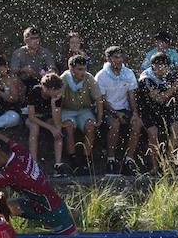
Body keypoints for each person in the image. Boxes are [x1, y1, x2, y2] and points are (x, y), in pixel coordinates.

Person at [95, 45, 142, 175]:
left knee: (137, 123)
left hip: (124, 109)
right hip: (108, 110)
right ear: (108, 59)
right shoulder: (101, 75)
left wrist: (135, 113)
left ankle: (129, 160)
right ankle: (111, 160)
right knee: (114, 124)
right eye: (116, 57)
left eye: (121, 57)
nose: (119, 60)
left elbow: (132, 96)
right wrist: (116, 113)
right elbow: (102, 100)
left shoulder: (128, 73)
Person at [59, 54, 101, 172]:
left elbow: (99, 99)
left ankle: (86, 160)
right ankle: (73, 160)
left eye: (84, 69)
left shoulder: (89, 78)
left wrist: (99, 119)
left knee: (91, 126)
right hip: (67, 111)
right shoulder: (63, 79)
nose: (83, 72)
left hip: (84, 110)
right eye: (79, 69)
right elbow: (57, 102)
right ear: (71, 69)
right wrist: (58, 122)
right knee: (69, 127)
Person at [24, 71, 66, 171]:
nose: (58, 92)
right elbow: (31, 116)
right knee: (34, 128)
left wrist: (53, 104)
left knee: (58, 129)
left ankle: (58, 164)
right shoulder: (35, 91)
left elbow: (57, 121)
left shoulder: (57, 97)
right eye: (55, 90)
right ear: (47, 89)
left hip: (47, 118)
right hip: (33, 118)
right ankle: (34, 163)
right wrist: (51, 128)